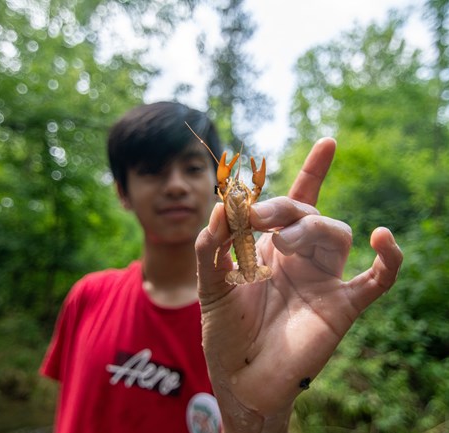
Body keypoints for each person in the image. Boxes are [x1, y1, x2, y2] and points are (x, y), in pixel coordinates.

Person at [40, 101, 403, 433]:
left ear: (215, 185)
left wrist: (256, 419)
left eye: (193, 167)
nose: (177, 186)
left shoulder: (250, 319)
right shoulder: (85, 297)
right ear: (122, 191)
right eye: (152, 171)